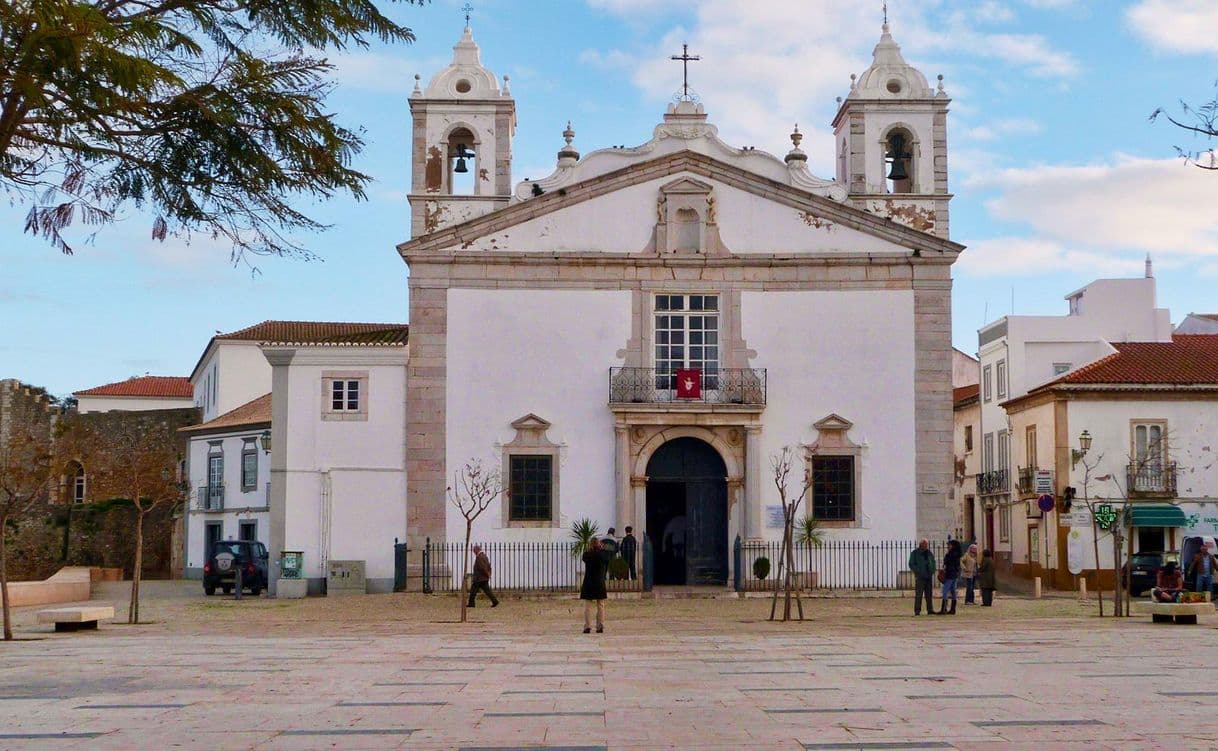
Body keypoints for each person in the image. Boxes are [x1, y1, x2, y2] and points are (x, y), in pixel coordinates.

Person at [581, 538, 609, 633]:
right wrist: (602, 549)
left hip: (588, 581)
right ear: (598, 544)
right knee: (600, 605)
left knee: (588, 606)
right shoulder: (602, 554)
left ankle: (587, 626)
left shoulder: (587, 554)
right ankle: (600, 625)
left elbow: (584, 557)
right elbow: (606, 559)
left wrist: (591, 549)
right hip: (599, 582)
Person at [908, 538, 937, 616]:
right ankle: (917, 610)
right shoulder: (915, 553)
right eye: (925, 544)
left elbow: (933, 562)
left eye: (927, 544)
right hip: (920, 577)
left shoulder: (929, 553)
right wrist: (918, 571)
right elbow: (911, 563)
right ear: (921, 544)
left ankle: (930, 609)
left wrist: (932, 570)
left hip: (928, 576)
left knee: (929, 594)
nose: (926, 545)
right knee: (919, 594)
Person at [467, 544, 499, 608]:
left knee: (473, 591)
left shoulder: (479, 557)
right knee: (487, 591)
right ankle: (495, 601)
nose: (473, 552)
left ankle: (471, 603)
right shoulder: (484, 556)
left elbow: (482, 567)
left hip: (479, 578)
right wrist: (489, 574)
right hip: (483, 578)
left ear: (477, 550)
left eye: (474, 550)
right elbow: (489, 566)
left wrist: (487, 574)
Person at [940, 539, 962, 615]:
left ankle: (944, 608)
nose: (948, 547)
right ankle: (953, 609)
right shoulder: (957, 554)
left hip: (950, 574)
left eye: (949, 545)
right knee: (953, 591)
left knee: (945, 590)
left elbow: (947, 562)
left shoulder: (951, 554)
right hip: (955, 574)